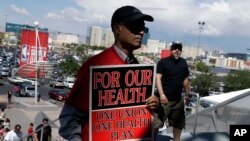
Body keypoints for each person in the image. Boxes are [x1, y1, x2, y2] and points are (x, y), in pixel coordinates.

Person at [59, 5, 159, 141]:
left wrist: (152, 105)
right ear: (118, 29)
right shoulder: (95, 65)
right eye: (135, 26)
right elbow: (69, 120)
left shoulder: (137, 68)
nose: (141, 32)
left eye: (143, 28)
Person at [154, 41, 190, 141]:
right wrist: (161, 95)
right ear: (171, 50)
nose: (177, 50)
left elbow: (185, 80)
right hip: (164, 99)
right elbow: (158, 78)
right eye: (175, 48)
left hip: (178, 99)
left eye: (179, 48)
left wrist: (187, 93)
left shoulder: (183, 63)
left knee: (179, 124)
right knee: (157, 123)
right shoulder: (163, 62)